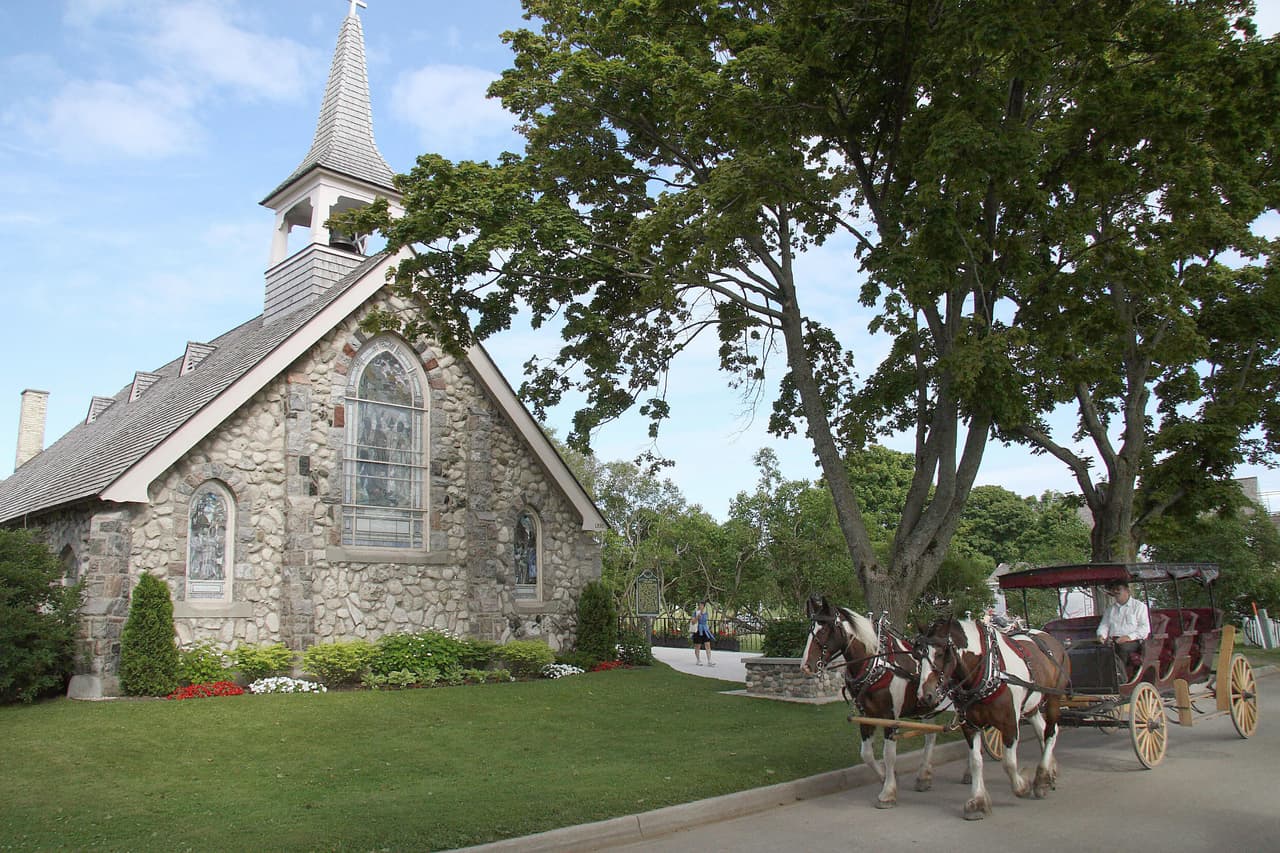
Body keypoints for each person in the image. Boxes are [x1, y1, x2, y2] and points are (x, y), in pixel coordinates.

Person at [1096, 580, 1150, 674]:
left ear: (1127, 591)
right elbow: (1104, 625)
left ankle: (1121, 677)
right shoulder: (1110, 609)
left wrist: (1128, 637)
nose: (1116, 592)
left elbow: (1145, 628)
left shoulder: (1139, 606)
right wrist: (1101, 636)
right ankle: (1102, 676)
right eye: (1114, 590)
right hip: (1113, 641)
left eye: (1118, 589)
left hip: (1133, 642)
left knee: (1120, 647)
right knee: (1098, 649)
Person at [691, 601, 715, 666]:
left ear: (704, 606)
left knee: (707, 645)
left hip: (705, 630)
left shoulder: (706, 613)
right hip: (698, 630)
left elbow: (705, 622)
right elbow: (693, 622)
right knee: (697, 646)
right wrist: (697, 617)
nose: (700, 606)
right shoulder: (695, 613)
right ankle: (698, 660)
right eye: (699, 605)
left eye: (701, 605)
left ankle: (709, 660)